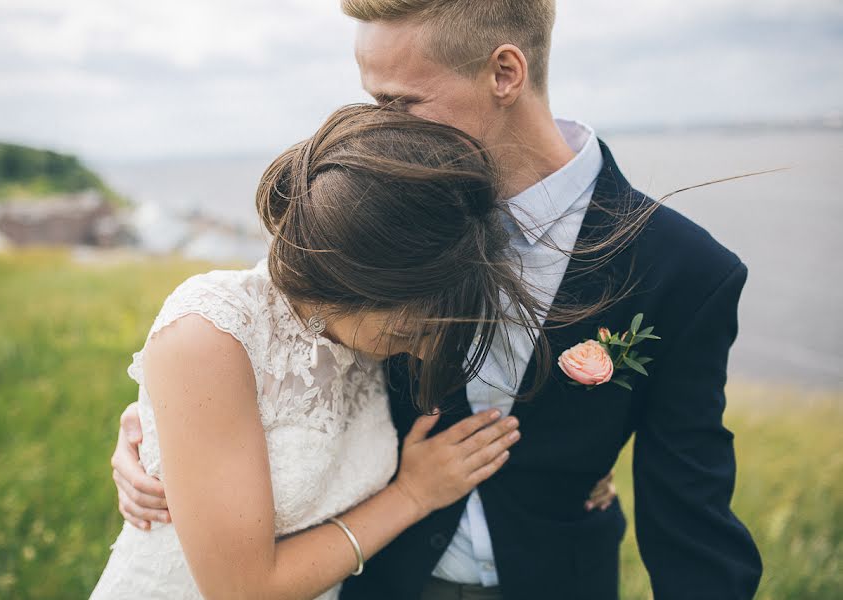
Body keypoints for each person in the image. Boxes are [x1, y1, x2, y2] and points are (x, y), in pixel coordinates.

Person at [110, 1, 762, 599]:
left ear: (505, 73)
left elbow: (691, 512)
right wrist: (159, 435)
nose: (379, 127)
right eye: (373, 101)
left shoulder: (686, 271)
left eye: (400, 100)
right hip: (377, 580)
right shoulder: (378, 209)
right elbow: (289, 324)